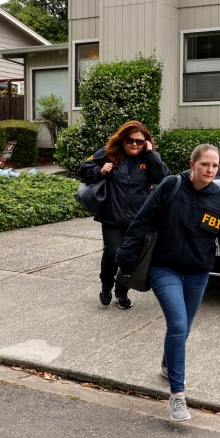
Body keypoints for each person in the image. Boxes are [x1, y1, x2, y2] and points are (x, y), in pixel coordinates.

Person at [116, 144, 220, 422]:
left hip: (197, 273)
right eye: (205, 164)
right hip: (164, 269)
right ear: (193, 164)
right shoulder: (171, 187)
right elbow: (141, 223)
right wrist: (127, 260)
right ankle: (178, 396)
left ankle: (168, 365)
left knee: (184, 328)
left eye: (215, 166)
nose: (210, 170)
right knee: (178, 324)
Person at [78, 120, 170, 309]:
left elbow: (165, 178)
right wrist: (100, 170)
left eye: (140, 141)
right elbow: (83, 170)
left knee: (131, 257)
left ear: (146, 143)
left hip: (139, 219)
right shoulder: (109, 153)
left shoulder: (148, 158)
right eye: (130, 140)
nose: (134, 144)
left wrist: (152, 154)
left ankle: (122, 292)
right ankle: (106, 284)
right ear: (122, 140)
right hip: (112, 216)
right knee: (112, 252)